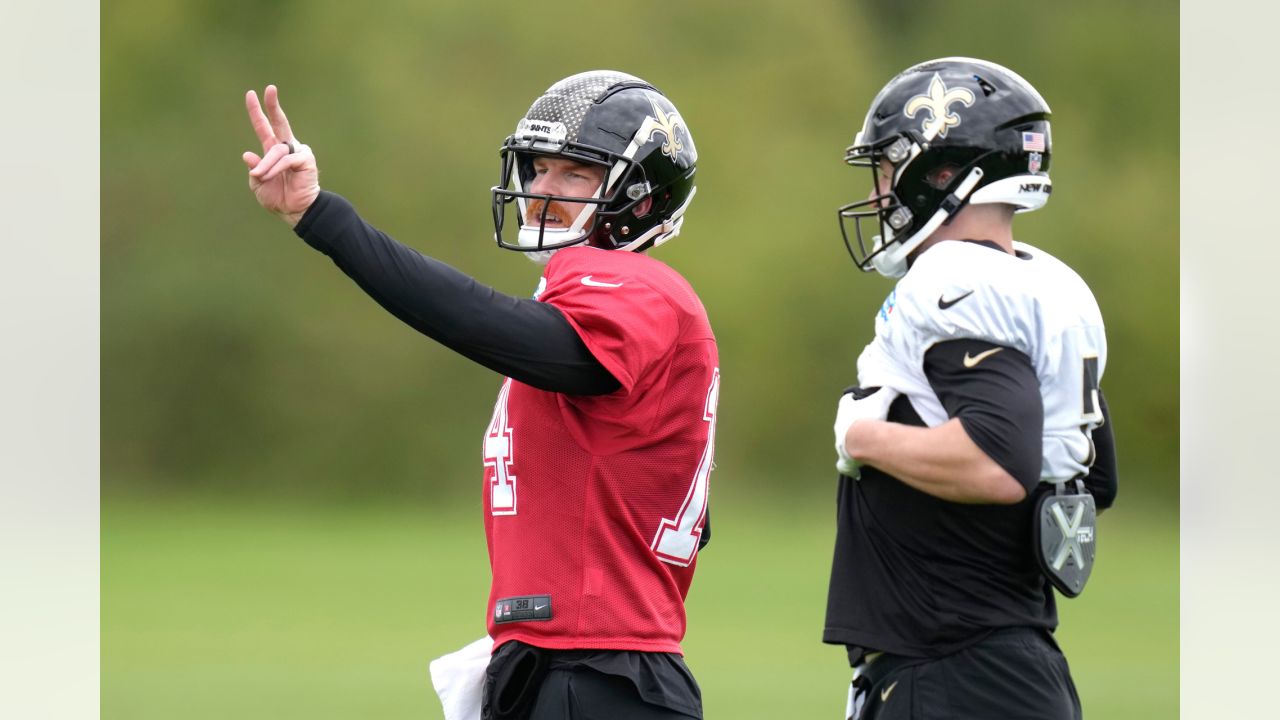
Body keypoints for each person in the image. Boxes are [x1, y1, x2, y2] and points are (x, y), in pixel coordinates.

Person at [241, 70, 717, 720]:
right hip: (561, 659)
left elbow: (486, 324)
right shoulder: (605, 300)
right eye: (539, 168)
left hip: (603, 670)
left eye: (573, 174)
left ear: (639, 197)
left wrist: (328, 220)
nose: (543, 190)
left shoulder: (638, 286)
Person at [824, 57, 1118, 720]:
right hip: (1014, 661)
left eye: (887, 169)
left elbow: (995, 463)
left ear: (943, 172)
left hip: (955, 671)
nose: (878, 195)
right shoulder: (1047, 283)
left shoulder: (952, 280)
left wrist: (864, 437)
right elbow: (1095, 481)